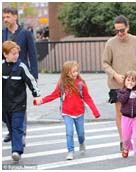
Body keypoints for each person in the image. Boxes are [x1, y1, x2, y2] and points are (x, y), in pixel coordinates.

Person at [33, 61, 101, 160]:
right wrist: (41, 101)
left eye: (76, 71)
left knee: (81, 133)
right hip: (67, 113)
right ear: (66, 73)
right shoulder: (62, 84)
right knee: (69, 132)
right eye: (73, 72)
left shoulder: (80, 84)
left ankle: (81, 142)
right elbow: (53, 95)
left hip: (79, 113)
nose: (75, 74)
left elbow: (88, 98)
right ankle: (70, 151)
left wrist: (95, 112)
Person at [102, 15, 136, 151]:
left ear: (128, 27)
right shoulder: (110, 43)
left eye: (122, 30)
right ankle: (124, 140)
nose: (119, 33)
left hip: (133, 83)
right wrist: (115, 75)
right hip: (117, 84)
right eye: (116, 31)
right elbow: (105, 63)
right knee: (121, 113)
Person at [2, 7, 38, 144]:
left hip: (22, 74)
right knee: (5, 106)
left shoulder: (25, 33)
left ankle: (20, 133)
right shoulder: (2, 34)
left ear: (15, 17)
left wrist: (34, 76)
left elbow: (33, 55)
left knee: (19, 104)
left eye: (8, 17)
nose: (5, 19)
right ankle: (12, 131)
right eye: (4, 17)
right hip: (5, 75)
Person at [2, 41, 40, 161]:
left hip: (19, 104)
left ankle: (16, 151)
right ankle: (17, 141)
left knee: (17, 127)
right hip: (4, 105)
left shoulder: (21, 67)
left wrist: (37, 95)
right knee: (11, 127)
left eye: (17, 53)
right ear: (5, 54)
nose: (16, 56)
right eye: (13, 53)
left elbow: (31, 80)